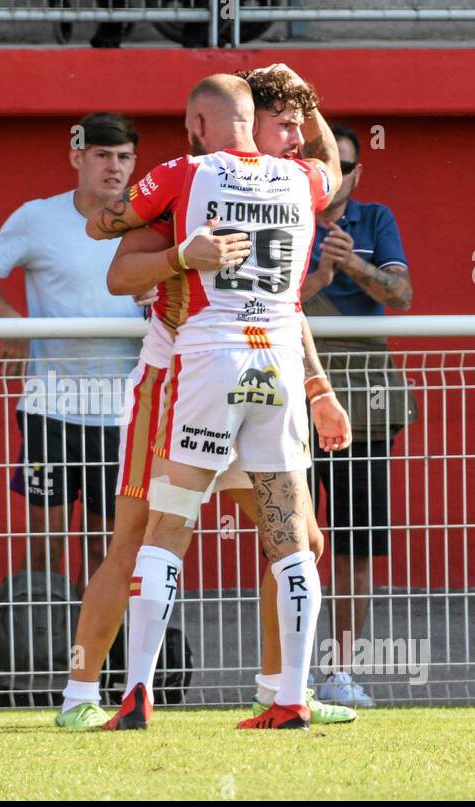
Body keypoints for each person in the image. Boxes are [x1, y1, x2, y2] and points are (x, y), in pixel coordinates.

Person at [53, 64, 357, 731]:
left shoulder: (210, 179)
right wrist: (181, 257)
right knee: (133, 536)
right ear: (253, 119)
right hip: (174, 376)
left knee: (296, 534)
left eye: (302, 124)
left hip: (231, 370)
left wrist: (322, 389)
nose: (296, 134)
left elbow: (286, 309)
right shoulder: (202, 183)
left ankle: (280, 687)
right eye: (287, 121)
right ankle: (82, 692)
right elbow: (117, 270)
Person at [0, 112, 144, 591]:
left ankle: (94, 662)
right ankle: (43, 655)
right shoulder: (38, 217)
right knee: (47, 543)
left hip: (122, 412)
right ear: (77, 157)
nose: (114, 167)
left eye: (124, 157)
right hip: (52, 407)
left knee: (105, 546)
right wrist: (15, 325)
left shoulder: (151, 224)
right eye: (103, 155)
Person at [303, 123, 415, 709]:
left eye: (344, 166)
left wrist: (354, 269)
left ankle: (339, 672)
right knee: (288, 540)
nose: (334, 175)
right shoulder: (282, 208)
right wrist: (319, 277)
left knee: (352, 545)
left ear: (357, 173)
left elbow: (402, 294)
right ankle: (286, 673)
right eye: (324, 162)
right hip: (290, 387)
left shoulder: (374, 220)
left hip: (364, 399)